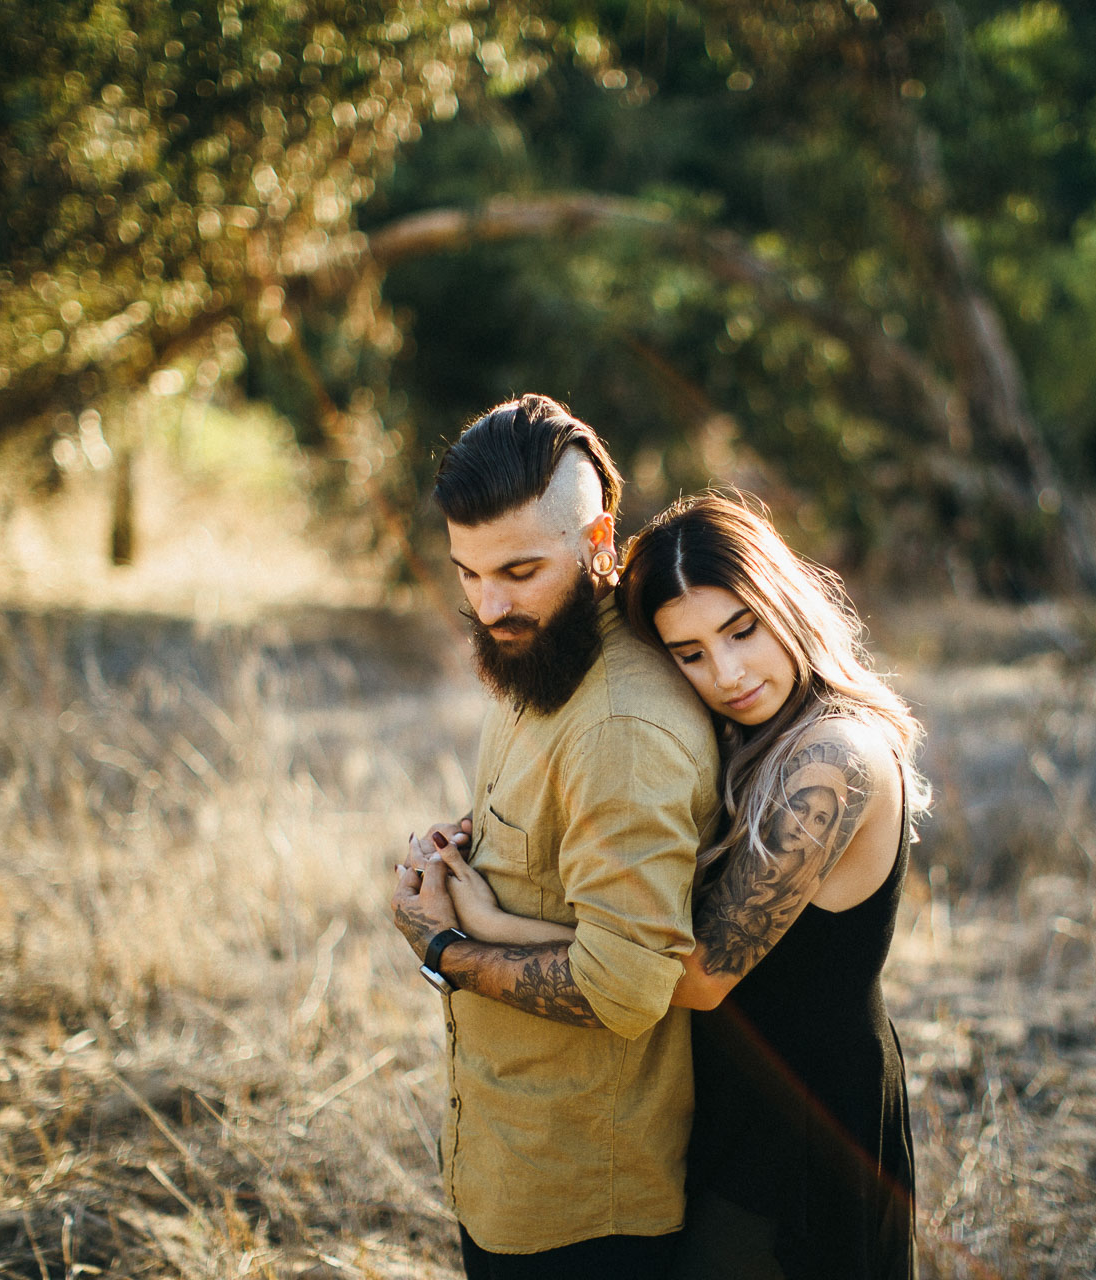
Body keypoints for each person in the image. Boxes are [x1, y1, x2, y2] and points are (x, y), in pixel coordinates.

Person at [431, 493, 929, 1280]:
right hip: (726, 1102)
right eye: (689, 654)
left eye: (741, 630)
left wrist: (483, 929)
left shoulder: (833, 758)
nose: (726, 673)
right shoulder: (747, 733)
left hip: (804, 1123)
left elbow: (691, 977)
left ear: (785, 604)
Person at [389, 395, 720, 1279]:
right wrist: (461, 855)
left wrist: (445, 948)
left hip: (584, 1209)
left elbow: (623, 990)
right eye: (468, 573)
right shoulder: (539, 656)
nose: (490, 605)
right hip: (512, 1158)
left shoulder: (620, 727)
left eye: (521, 570)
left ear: (599, 539)